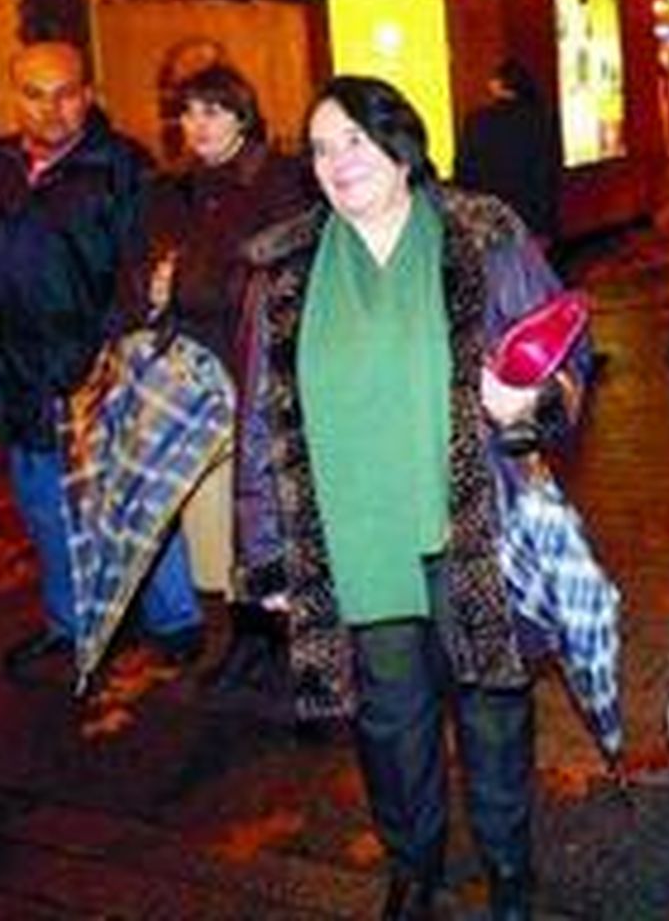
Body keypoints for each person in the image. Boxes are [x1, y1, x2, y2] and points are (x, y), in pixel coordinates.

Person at [236, 75, 587, 920]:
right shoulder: (284, 269)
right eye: (320, 148)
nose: (336, 161)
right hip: (359, 544)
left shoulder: (484, 235)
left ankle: (508, 869)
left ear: (401, 144)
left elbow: (566, 359)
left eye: (354, 139)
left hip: (474, 524)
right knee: (391, 728)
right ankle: (413, 867)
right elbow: (259, 422)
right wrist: (266, 551)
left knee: (494, 711)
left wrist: (528, 404)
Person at [0, 41, 202, 674]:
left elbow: (145, 262)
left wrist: (115, 349)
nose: (51, 109)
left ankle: (173, 620)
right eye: (35, 94)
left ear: (87, 95)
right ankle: (73, 623)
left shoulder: (120, 167)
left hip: (99, 364)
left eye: (65, 93)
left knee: (133, 494)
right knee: (42, 506)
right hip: (14, 372)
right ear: (15, 98)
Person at [121, 63, 311, 695]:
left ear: (243, 115)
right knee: (217, 520)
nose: (197, 125)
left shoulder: (279, 181)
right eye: (189, 112)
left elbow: (278, 274)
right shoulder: (174, 190)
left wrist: (196, 286)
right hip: (199, 381)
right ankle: (247, 636)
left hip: (256, 373)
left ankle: (293, 648)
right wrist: (153, 291)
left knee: (265, 512)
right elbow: (145, 266)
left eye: (212, 111)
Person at [455, 59, 561, 247]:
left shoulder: (478, 121)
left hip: (489, 216)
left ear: (498, 84)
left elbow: (465, 172)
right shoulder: (541, 118)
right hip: (531, 215)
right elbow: (548, 173)